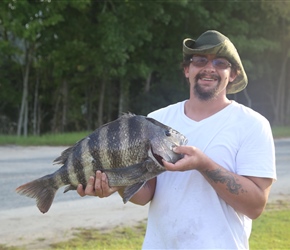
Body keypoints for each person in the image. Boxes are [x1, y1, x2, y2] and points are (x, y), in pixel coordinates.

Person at [77, 30, 277, 249]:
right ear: (187, 70)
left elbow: (255, 206)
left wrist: (204, 164)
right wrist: (117, 184)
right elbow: (146, 194)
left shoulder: (252, 125)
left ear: (233, 74)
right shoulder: (156, 121)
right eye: (200, 60)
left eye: (220, 63)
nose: (209, 68)